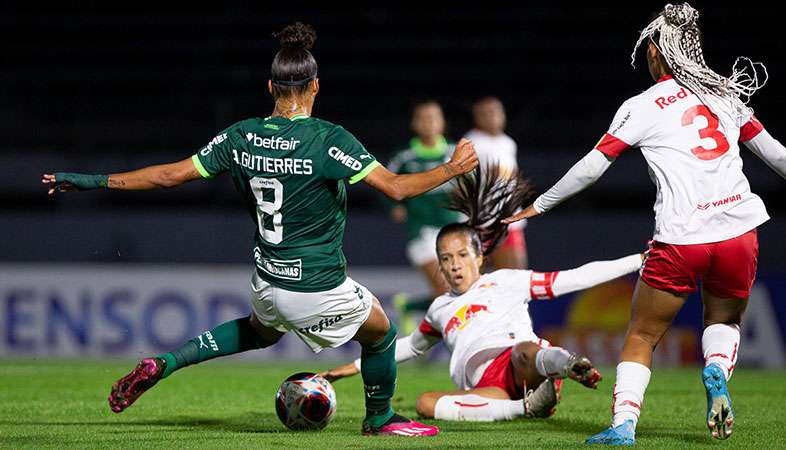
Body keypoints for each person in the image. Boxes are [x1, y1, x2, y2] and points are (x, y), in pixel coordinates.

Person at [42, 22, 479, 437]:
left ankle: (167, 362)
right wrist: (452, 168)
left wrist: (91, 180)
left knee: (263, 330)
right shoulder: (328, 139)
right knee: (381, 332)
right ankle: (380, 417)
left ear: (270, 87)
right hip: (315, 283)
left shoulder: (240, 136)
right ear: (315, 86)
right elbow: (398, 188)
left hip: (267, 279)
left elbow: (167, 177)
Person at [504, 3, 786, 445]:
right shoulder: (723, 94)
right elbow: (772, 151)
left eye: (649, 49)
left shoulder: (643, 105)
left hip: (681, 239)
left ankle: (624, 425)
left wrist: (540, 205)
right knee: (724, 320)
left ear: (660, 52)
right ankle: (716, 370)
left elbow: (592, 166)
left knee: (642, 334)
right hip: (739, 232)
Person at [320, 165, 644, 422]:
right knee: (425, 404)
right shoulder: (439, 309)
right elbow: (409, 348)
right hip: (486, 390)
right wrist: (345, 369)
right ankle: (527, 408)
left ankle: (569, 364)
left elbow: (575, 278)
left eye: (462, 255)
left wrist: (637, 260)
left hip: (523, 366)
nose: (454, 265)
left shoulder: (507, 281)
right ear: (440, 266)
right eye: (445, 259)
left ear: (479, 258)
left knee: (524, 350)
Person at [387, 101, 463, 333]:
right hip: (422, 231)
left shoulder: (455, 152)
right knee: (446, 289)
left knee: (458, 291)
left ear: (442, 123)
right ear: (414, 124)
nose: (429, 123)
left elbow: (474, 182)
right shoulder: (405, 156)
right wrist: (394, 204)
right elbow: (383, 180)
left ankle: (410, 306)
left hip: (455, 230)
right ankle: (426, 339)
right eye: (423, 118)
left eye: (434, 117)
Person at [464, 97, 528, 270]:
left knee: (516, 279)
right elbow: (461, 183)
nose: (492, 116)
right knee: (473, 285)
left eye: (496, 111)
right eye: (486, 113)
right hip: (481, 223)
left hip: (509, 221)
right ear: (477, 118)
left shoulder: (508, 143)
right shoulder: (471, 143)